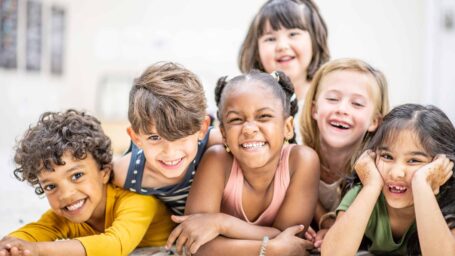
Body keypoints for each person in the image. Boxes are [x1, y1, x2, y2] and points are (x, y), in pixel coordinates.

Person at [166, 70, 320, 255]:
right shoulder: (217, 160)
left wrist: (222, 223)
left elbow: (290, 238)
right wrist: (269, 249)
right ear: (223, 134)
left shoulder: (302, 161)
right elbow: (195, 244)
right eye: (236, 120)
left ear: (287, 127)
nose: (249, 129)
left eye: (264, 116)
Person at [0, 110, 174, 256]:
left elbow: (114, 244)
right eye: (51, 186)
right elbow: (32, 233)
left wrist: (37, 249)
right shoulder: (66, 213)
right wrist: (11, 247)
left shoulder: (137, 199)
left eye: (76, 176)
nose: (66, 194)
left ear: (104, 172)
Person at [322, 104, 455, 255]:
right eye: (387, 157)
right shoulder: (364, 193)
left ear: (443, 164)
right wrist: (371, 186)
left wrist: (422, 186)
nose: (396, 173)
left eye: (414, 160)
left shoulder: (449, 201)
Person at [300, 58, 389, 249]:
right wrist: (324, 221)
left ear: (374, 121)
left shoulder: (377, 170)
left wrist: (332, 227)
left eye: (357, 104)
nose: (342, 109)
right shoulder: (297, 157)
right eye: (332, 99)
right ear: (314, 109)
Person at [112, 62, 222, 216]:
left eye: (181, 136)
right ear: (136, 138)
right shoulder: (125, 173)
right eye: (155, 137)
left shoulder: (216, 143)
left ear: (202, 128)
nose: (170, 152)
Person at [238, 0, 329, 102]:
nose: (282, 46)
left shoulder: (330, 100)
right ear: (256, 51)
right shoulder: (247, 103)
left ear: (315, 40)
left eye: (293, 34)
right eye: (270, 39)